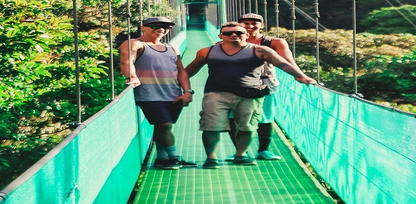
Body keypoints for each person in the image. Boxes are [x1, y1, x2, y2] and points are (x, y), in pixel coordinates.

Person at [185, 22, 316, 168]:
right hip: (216, 93)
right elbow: (192, 68)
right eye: (228, 33)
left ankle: (241, 155)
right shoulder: (207, 52)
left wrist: (301, 76)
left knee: (247, 127)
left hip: (249, 93)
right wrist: (180, 85)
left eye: (239, 33)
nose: (234, 35)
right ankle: (211, 158)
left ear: (246, 35)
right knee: (210, 126)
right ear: (220, 36)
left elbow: (282, 63)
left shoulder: (260, 50)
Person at [119, 16, 196, 170]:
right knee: (164, 124)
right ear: (143, 28)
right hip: (149, 94)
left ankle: (162, 158)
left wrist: (187, 91)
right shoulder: (135, 44)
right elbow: (127, 61)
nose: (161, 29)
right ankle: (174, 157)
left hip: (173, 93)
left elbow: (181, 71)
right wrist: (132, 77)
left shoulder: (172, 48)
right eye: (155, 26)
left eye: (165, 27)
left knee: (163, 128)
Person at [236, 12, 303, 160]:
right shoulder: (232, 38)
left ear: (262, 25)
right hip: (237, 82)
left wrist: (300, 76)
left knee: (265, 116)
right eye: (245, 23)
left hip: (264, 82)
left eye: (254, 23)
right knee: (234, 117)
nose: (250, 26)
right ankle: (240, 151)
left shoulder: (273, 42)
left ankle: (263, 150)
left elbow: (288, 61)